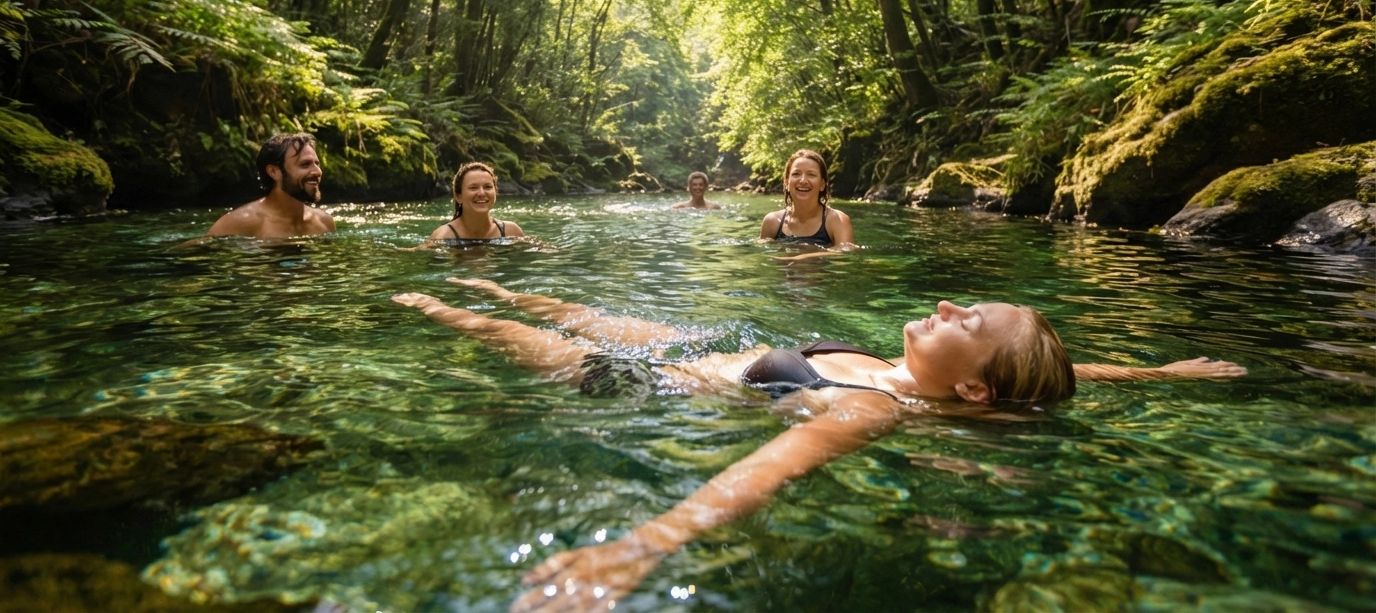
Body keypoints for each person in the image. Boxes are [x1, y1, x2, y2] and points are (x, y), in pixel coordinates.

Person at [391, 280, 1246, 612]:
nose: (947, 306)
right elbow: (1065, 372)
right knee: (548, 301)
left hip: (638, 381)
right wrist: (1158, 372)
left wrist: (643, 545)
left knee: (487, 327)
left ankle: (439, 306)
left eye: (967, 322)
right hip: (694, 342)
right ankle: (489, 280)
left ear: (977, 391)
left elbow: (769, 467)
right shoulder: (938, 382)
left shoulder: (873, 411)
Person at [205, 133, 335, 239]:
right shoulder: (240, 222)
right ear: (274, 172)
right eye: (305, 164)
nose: (318, 171)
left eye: (317, 164)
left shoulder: (324, 222)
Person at [759, 149, 854, 250]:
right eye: (796, 174)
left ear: (822, 184)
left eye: (811, 174)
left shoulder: (837, 220)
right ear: (787, 183)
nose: (803, 180)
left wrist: (801, 257)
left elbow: (846, 253)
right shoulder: (772, 221)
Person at [428, 162, 526, 243]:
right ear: (458, 196)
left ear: (495, 192)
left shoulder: (511, 232)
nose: (482, 193)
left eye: (487, 187)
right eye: (473, 188)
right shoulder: (443, 237)